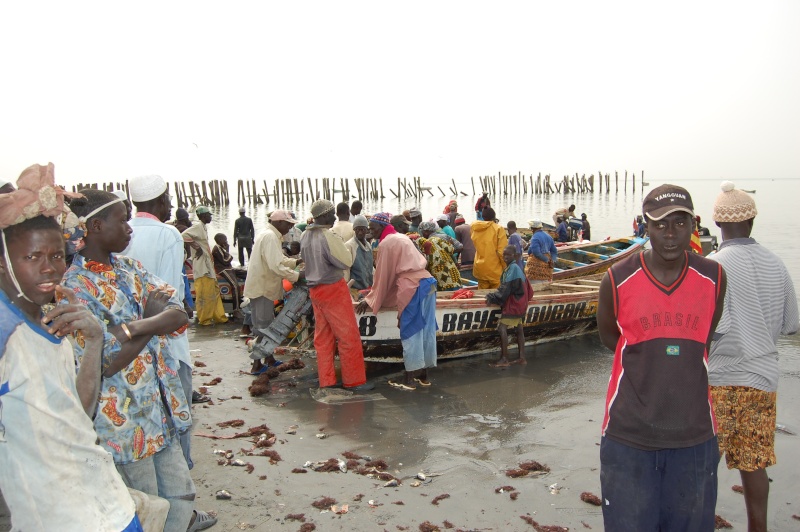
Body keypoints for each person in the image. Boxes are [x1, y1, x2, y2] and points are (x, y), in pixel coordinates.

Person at [0, 164, 141, 531]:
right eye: (32, 258)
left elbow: (81, 414)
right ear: (2, 263)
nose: (50, 269)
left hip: (107, 505)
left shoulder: (55, 321)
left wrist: (94, 342)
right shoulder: (7, 333)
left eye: (57, 256)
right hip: (56, 515)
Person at [64, 189, 211, 532]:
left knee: (179, 495)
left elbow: (179, 314)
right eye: (122, 219)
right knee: (143, 507)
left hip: (161, 411)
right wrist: (149, 321)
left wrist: (130, 328)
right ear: (96, 226)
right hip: (124, 425)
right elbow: (103, 363)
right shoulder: (74, 287)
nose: (130, 227)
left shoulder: (130, 269)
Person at [596, 184, 726, 531]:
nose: (670, 234)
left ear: (693, 225)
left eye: (679, 224)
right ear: (645, 226)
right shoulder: (616, 279)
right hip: (628, 437)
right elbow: (613, 339)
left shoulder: (714, 277)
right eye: (660, 224)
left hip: (695, 437)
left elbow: (703, 340)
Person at [707, 182, 799, 532]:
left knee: (705, 464)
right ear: (753, 219)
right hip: (763, 380)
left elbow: (715, 329)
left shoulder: (716, 266)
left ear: (717, 224)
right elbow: (791, 324)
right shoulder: (776, 264)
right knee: (754, 463)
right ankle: (757, 528)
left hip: (722, 382)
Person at [124, 173, 209, 483]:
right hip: (165, 341)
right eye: (169, 198)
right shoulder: (168, 235)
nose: (172, 204)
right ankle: (181, 486)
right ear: (159, 201)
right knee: (177, 413)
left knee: (141, 417)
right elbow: (171, 291)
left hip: (128, 342)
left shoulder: (122, 231)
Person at [357, 212, 437, 390]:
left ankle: (408, 380)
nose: (371, 231)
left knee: (411, 331)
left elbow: (383, 276)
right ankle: (423, 377)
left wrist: (370, 299)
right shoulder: (401, 237)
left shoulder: (386, 243)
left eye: (373, 227)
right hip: (428, 283)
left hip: (412, 287)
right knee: (426, 330)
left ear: (383, 226)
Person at [300, 200, 372, 391]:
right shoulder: (327, 235)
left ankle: (327, 381)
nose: (334, 218)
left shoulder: (305, 235)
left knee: (323, 338)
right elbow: (346, 260)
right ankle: (354, 381)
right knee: (348, 337)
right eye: (331, 214)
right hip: (333, 289)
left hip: (315, 291)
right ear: (323, 216)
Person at [244, 210, 302, 375]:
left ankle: (268, 359)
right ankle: (256, 364)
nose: (290, 228)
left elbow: (280, 260)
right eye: (288, 224)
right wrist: (297, 276)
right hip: (262, 288)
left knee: (266, 325)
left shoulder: (269, 234)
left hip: (263, 287)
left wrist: (296, 261)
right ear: (278, 222)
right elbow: (276, 266)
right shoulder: (270, 237)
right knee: (262, 327)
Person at [486, 245, 531, 367]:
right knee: (519, 328)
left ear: (515, 256)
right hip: (521, 301)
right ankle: (522, 358)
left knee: (502, 328)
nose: (505, 257)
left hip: (515, 302)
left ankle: (504, 359)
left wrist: (492, 297)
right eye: (504, 255)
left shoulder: (513, 269)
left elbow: (505, 290)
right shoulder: (513, 268)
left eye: (508, 255)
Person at [182, 206, 228, 325]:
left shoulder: (203, 228)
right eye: (209, 215)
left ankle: (219, 317)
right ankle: (205, 319)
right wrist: (195, 246)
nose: (210, 217)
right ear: (203, 216)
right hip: (202, 268)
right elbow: (182, 235)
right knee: (205, 294)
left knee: (214, 293)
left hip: (208, 267)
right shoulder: (197, 227)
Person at [417, 221, 462, 291]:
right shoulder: (439, 238)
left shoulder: (425, 244)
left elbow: (426, 264)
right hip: (455, 277)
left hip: (443, 281)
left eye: (422, 231)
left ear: (425, 231)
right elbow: (454, 248)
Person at [470, 207, 507, 289]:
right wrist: (505, 267)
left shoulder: (475, 228)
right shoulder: (498, 229)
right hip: (494, 269)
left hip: (480, 268)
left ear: (482, 217)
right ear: (494, 217)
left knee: (483, 295)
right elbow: (502, 252)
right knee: (497, 295)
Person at [212, 233, 243, 319]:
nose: (226, 241)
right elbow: (225, 261)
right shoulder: (217, 249)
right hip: (223, 269)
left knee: (245, 273)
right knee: (235, 285)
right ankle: (236, 309)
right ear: (220, 240)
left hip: (229, 268)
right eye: (225, 239)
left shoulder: (221, 248)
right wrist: (228, 252)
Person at [344, 214, 374, 296]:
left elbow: (371, 268)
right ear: (354, 230)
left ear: (366, 230)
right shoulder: (349, 245)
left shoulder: (368, 245)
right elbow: (346, 269)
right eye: (357, 230)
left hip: (368, 287)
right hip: (355, 288)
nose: (360, 233)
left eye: (362, 230)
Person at [525, 219, 558, 284]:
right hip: (546, 266)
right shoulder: (548, 236)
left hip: (536, 266)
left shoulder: (535, 238)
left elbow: (536, 253)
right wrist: (553, 260)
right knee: (545, 280)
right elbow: (554, 250)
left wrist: (546, 260)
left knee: (533, 282)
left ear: (532, 229)